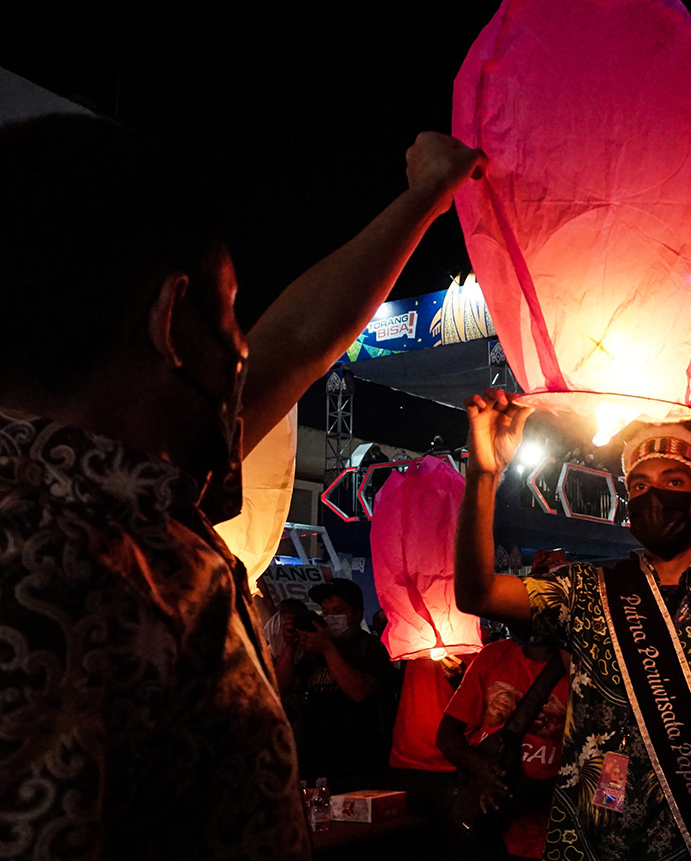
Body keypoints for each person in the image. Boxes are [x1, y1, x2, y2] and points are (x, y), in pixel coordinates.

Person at [0, 114, 484, 860]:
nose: (241, 355)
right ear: (172, 325)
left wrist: (426, 196)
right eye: (229, 320)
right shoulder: (61, 574)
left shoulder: (126, 491)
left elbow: (296, 345)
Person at [454, 390, 691, 861]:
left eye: (672, 480)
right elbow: (476, 593)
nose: (652, 495)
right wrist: (484, 473)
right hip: (599, 837)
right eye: (639, 485)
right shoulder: (587, 590)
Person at [436, 635, 570, 860]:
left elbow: (609, 768)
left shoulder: (585, 668)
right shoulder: (493, 655)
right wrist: (480, 768)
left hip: (557, 838)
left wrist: (516, 791)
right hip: (490, 830)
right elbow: (447, 736)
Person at [278, 578, 399, 790]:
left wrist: (328, 649)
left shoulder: (370, 648)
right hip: (315, 763)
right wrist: (289, 647)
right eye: (325, 611)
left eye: (337, 610)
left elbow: (359, 692)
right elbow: (281, 689)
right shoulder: (314, 651)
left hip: (357, 766)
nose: (330, 617)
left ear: (357, 613)